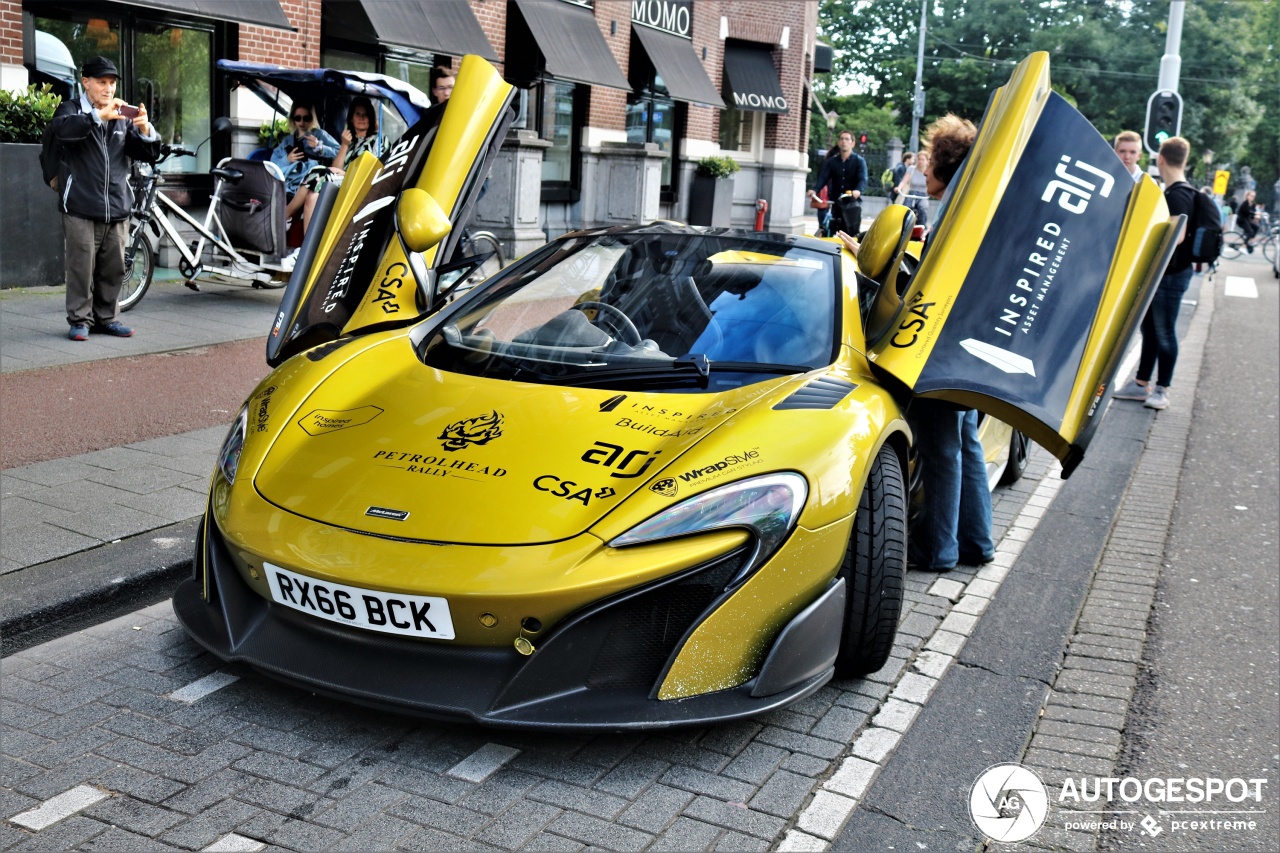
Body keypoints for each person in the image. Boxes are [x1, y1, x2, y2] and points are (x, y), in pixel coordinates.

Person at [839, 113, 990, 573]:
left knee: (942, 448)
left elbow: (933, 284)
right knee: (965, 443)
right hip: (965, 343)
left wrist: (868, 260)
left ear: (946, 165)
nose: (922, 173)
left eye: (928, 167)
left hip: (938, 347)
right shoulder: (969, 208)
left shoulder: (957, 214)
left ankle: (938, 550)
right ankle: (976, 543)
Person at [50, 56, 161, 341]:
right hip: (80, 205)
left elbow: (146, 152)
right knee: (81, 268)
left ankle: (107, 318)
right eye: (102, 82)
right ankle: (80, 320)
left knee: (114, 267)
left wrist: (145, 128)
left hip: (117, 205)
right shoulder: (70, 110)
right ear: (86, 83)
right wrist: (97, 117)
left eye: (112, 83)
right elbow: (61, 133)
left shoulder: (122, 116)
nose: (108, 89)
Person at [1113, 136, 1196, 411]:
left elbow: (1176, 236)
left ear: (1160, 159)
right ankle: (1140, 383)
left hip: (1172, 275)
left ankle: (1162, 389)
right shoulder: (1176, 192)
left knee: (1164, 332)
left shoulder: (1177, 194)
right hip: (1168, 275)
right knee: (1150, 329)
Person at [298, 96, 385, 232]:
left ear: (371, 118)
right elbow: (336, 169)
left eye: (365, 115)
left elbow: (376, 170)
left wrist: (346, 173)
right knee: (312, 195)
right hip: (342, 184)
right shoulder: (351, 141)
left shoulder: (378, 140)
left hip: (360, 186)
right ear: (351, 117)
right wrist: (344, 145)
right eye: (358, 114)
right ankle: (305, 249)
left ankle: (286, 214)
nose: (362, 118)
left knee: (317, 172)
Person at [270, 103, 339, 222]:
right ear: (292, 119)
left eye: (306, 118)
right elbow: (273, 164)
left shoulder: (320, 134)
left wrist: (320, 147)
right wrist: (287, 159)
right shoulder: (288, 140)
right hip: (290, 179)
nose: (302, 122)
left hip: (311, 178)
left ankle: (285, 216)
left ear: (312, 118)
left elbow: (340, 152)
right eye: (298, 118)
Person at [807, 130, 867, 237]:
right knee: (827, 226)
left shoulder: (859, 161)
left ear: (852, 143)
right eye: (842, 139)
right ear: (839, 143)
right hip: (835, 200)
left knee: (849, 233)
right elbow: (823, 177)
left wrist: (858, 190)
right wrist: (815, 190)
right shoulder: (832, 162)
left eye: (847, 139)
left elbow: (863, 179)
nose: (844, 141)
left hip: (851, 202)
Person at [895, 151, 931, 230]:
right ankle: (902, 228)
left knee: (922, 209)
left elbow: (931, 183)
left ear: (927, 161)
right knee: (906, 209)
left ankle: (921, 228)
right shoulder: (911, 169)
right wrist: (899, 188)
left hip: (923, 195)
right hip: (911, 194)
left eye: (922, 159)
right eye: (919, 159)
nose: (920, 161)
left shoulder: (929, 171)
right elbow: (904, 181)